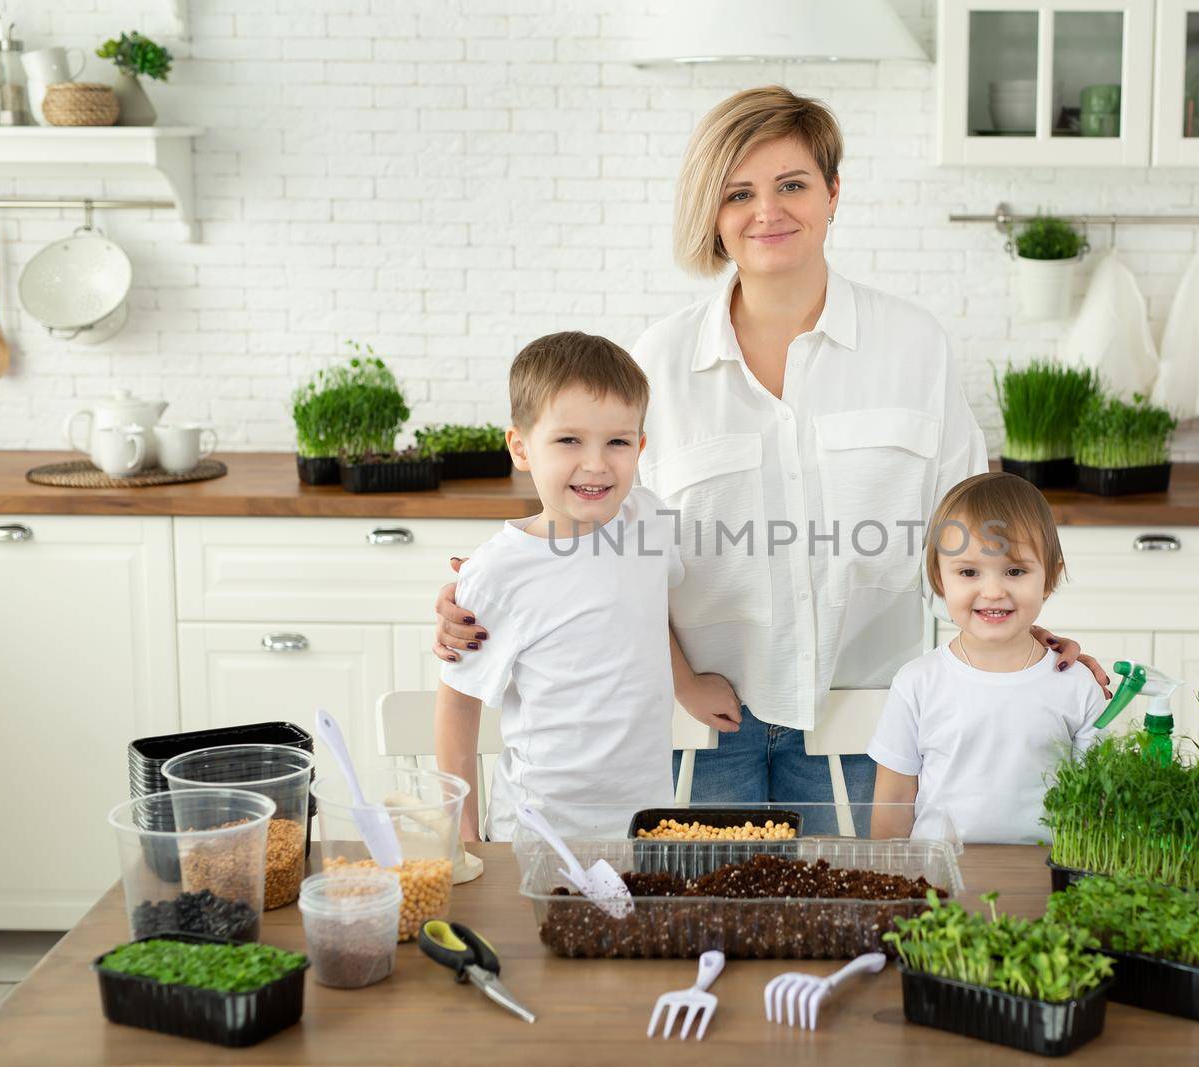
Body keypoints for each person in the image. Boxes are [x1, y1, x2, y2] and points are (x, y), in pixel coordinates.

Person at [432, 86, 1109, 811]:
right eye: (738, 193)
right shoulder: (658, 361)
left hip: (873, 715)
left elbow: (973, 525)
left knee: (866, 922)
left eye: (792, 184)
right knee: (704, 925)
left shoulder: (913, 345)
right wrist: (487, 595)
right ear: (712, 214)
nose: (768, 211)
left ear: (833, 193)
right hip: (699, 722)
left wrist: (1021, 637)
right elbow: (599, 536)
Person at [432, 332, 681, 841]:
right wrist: (461, 836)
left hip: (645, 831)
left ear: (641, 447)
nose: (595, 464)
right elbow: (458, 704)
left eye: (617, 441)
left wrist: (693, 686)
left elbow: (649, 619)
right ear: (521, 447)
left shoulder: (649, 520)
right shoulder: (499, 571)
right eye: (569, 440)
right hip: (537, 835)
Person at [869, 473, 1106, 844]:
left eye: (1015, 571)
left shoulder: (1077, 685)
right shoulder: (916, 683)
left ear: (1049, 577)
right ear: (939, 578)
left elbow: (1098, 809)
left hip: (1045, 883)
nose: (993, 591)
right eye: (968, 572)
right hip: (937, 883)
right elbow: (894, 806)